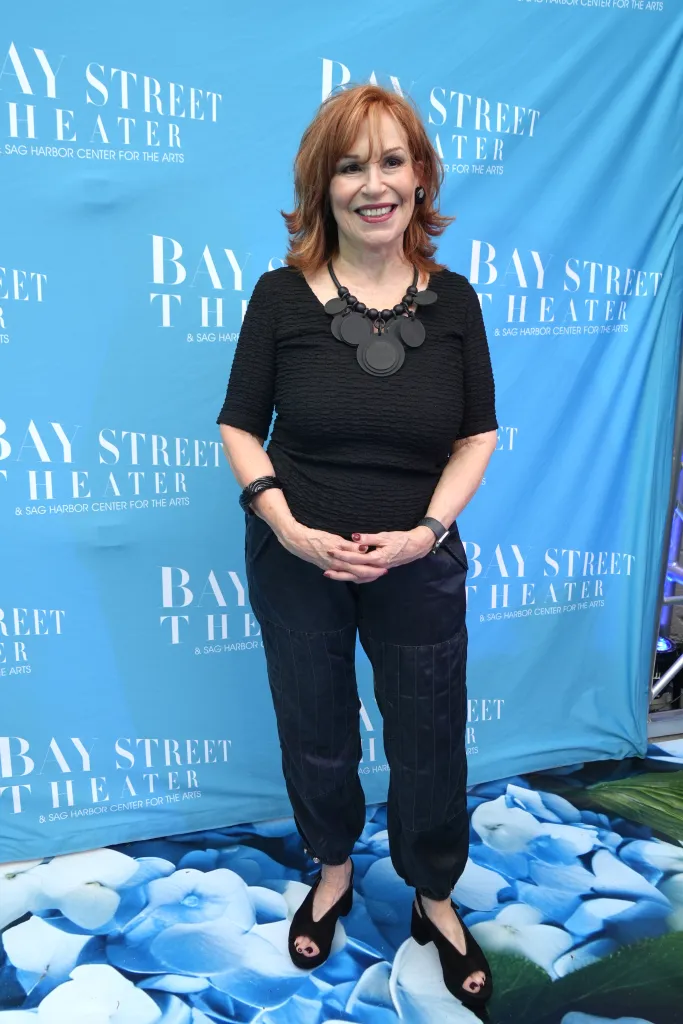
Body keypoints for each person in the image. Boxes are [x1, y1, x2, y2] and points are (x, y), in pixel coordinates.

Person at [217, 83, 498, 1011]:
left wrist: (425, 534)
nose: (373, 184)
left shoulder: (455, 302)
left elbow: (476, 435)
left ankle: (433, 894)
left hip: (417, 561)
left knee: (428, 736)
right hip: (298, 559)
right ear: (321, 185)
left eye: (391, 160)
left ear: (420, 177)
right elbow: (239, 427)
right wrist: (286, 524)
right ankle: (332, 872)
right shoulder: (278, 298)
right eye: (349, 166)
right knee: (317, 729)